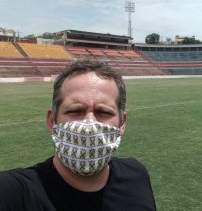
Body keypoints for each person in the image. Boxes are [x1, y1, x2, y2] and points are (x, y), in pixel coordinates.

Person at [0, 59, 156, 211]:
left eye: (104, 112)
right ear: (52, 121)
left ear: (122, 124)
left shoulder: (137, 175)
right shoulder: (12, 193)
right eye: (75, 110)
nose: (89, 125)